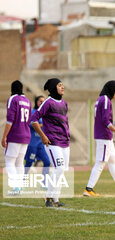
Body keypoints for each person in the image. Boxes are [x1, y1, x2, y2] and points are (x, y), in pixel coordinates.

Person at [83, 80, 115, 197]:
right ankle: (88, 189)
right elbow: (105, 120)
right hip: (104, 136)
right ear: (112, 89)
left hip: (106, 136)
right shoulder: (105, 99)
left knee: (112, 160)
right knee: (101, 162)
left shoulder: (101, 99)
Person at [31, 78, 70, 207]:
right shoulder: (48, 102)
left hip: (65, 142)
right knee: (58, 168)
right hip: (52, 142)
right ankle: (47, 196)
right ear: (54, 88)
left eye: (62, 85)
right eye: (59, 85)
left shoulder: (64, 103)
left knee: (62, 170)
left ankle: (56, 200)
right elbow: (34, 120)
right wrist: (43, 136)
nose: (62, 87)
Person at [1, 80, 31, 194]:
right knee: (19, 163)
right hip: (26, 135)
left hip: (15, 135)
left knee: (9, 162)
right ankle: (20, 187)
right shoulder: (27, 100)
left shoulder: (13, 99)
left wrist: (4, 136)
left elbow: (10, 120)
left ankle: (16, 187)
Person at [24, 96, 50, 181]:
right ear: (36, 102)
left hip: (41, 144)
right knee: (29, 162)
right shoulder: (33, 112)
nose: (42, 103)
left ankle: (44, 181)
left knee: (47, 162)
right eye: (40, 101)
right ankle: (23, 180)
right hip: (32, 143)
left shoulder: (44, 114)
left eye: (43, 101)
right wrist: (43, 125)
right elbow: (31, 124)